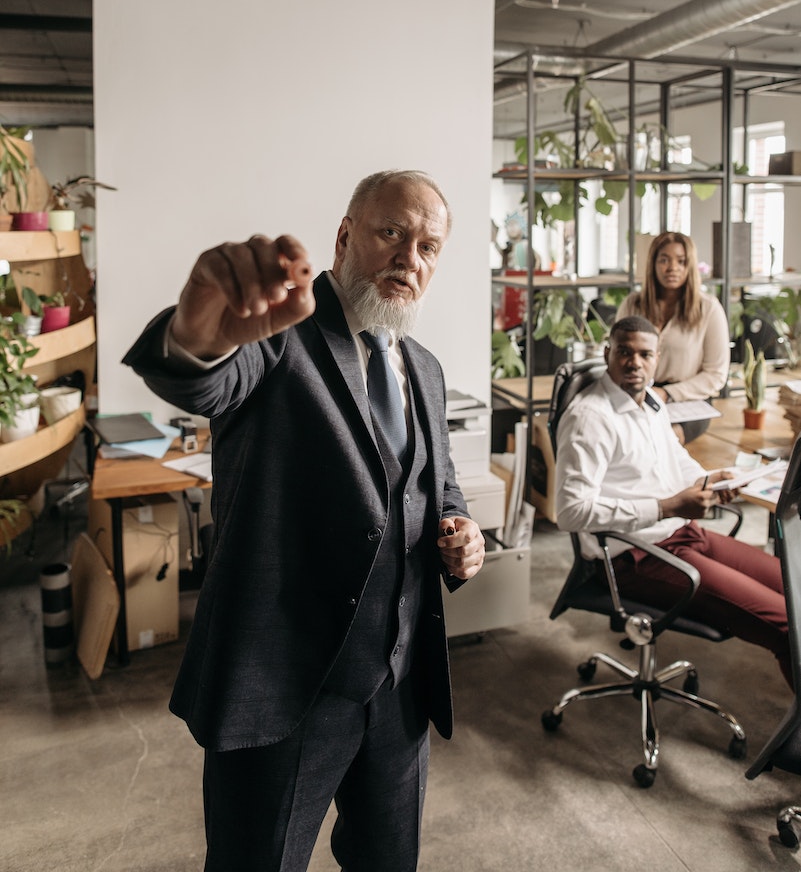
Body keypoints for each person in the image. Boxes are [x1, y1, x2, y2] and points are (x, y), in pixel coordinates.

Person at [123, 169, 485, 872]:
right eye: (391, 233)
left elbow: (437, 487)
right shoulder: (277, 339)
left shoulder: (428, 370)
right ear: (346, 236)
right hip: (283, 687)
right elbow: (201, 376)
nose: (409, 258)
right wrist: (201, 327)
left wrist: (458, 529)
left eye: (428, 247)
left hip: (400, 688)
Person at [554, 315, 790, 689]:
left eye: (645, 354)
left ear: (657, 359)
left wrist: (708, 479)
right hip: (634, 556)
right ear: (607, 353)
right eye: (624, 352)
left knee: (791, 582)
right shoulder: (589, 418)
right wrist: (668, 507)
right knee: (784, 623)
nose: (635, 362)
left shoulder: (650, 402)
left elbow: (675, 460)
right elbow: (569, 512)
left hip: (682, 534)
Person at [616, 231, 730, 443]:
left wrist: (667, 393)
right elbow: (616, 356)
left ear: (690, 266)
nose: (672, 268)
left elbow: (716, 375)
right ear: (653, 264)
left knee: (662, 441)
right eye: (664, 260)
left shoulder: (709, 309)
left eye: (681, 261)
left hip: (687, 401)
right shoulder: (633, 304)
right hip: (634, 394)